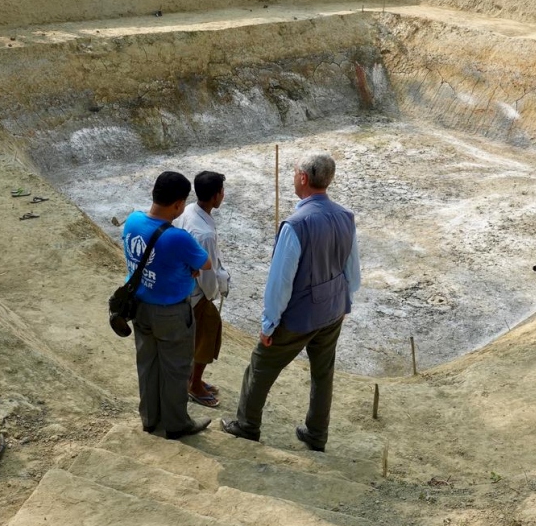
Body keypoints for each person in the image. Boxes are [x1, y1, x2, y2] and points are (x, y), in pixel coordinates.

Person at [221, 152, 361, 452]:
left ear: (303, 178)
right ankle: (316, 434)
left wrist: (269, 324)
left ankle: (247, 425)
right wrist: (345, 301)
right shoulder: (346, 217)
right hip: (333, 309)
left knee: (260, 365)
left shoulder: (296, 225)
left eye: (295, 172)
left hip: (300, 315)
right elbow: (353, 270)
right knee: (323, 373)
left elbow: (280, 283)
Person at [123, 171, 214, 440]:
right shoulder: (177, 237)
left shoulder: (132, 221)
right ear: (177, 204)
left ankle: (150, 419)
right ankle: (176, 424)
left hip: (139, 306)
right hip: (171, 313)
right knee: (175, 369)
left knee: (147, 364)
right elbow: (205, 263)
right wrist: (188, 269)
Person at [173, 171, 231, 409]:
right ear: (216, 195)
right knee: (207, 337)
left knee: (195, 337)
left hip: (188, 288)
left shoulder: (189, 211)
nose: (223, 195)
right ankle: (194, 385)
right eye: (222, 191)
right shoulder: (204, 233)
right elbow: (207, 274)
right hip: (197, 294)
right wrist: (215, 292)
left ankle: (191, 379)